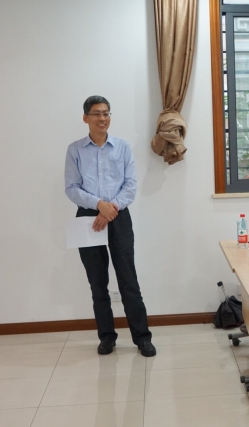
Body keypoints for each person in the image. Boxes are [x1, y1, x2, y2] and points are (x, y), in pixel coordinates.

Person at [64, 96, 155, 357]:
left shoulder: (122, 147)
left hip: (119, 217)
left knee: (128, 280)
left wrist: (109, 208)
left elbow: (131, 185)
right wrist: (98, 205)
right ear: (85, 118)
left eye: (106, 113)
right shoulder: (75, 150)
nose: (102, 118)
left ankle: (142, 338)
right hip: (87, 218)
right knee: (97, 282)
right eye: (96, 114)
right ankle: (107, 337)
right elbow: (71, 187)